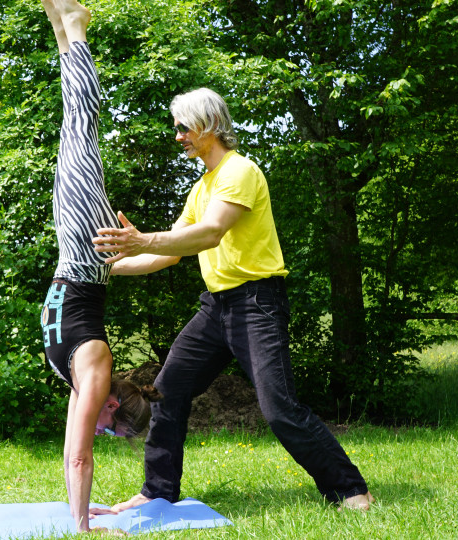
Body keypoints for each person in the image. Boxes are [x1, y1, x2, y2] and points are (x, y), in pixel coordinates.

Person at [90, 87, 375, 512]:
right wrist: (102, 270)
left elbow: (210, 233)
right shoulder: (201, 187)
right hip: (215, 307)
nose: (178, 136)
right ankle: (158, 492)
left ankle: (351, 490)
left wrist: (139, 238)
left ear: (207, 126)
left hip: (257, 304)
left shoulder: (239, 172)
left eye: (183, 127)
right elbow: (172, 251)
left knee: (278, 407)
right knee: (166, 391)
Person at [38, 0, 162, 533]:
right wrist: (84, 531)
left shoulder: (90, 380)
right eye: (115, 428)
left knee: (73, 129)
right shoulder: (95, 374)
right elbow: (81, 455)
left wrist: (79, 512)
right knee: (81, 128)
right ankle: (76, 27)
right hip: (84, 248)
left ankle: (62, 27)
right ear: (116, 406)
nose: (103, 431)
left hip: (83, 258)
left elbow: (73, 451)